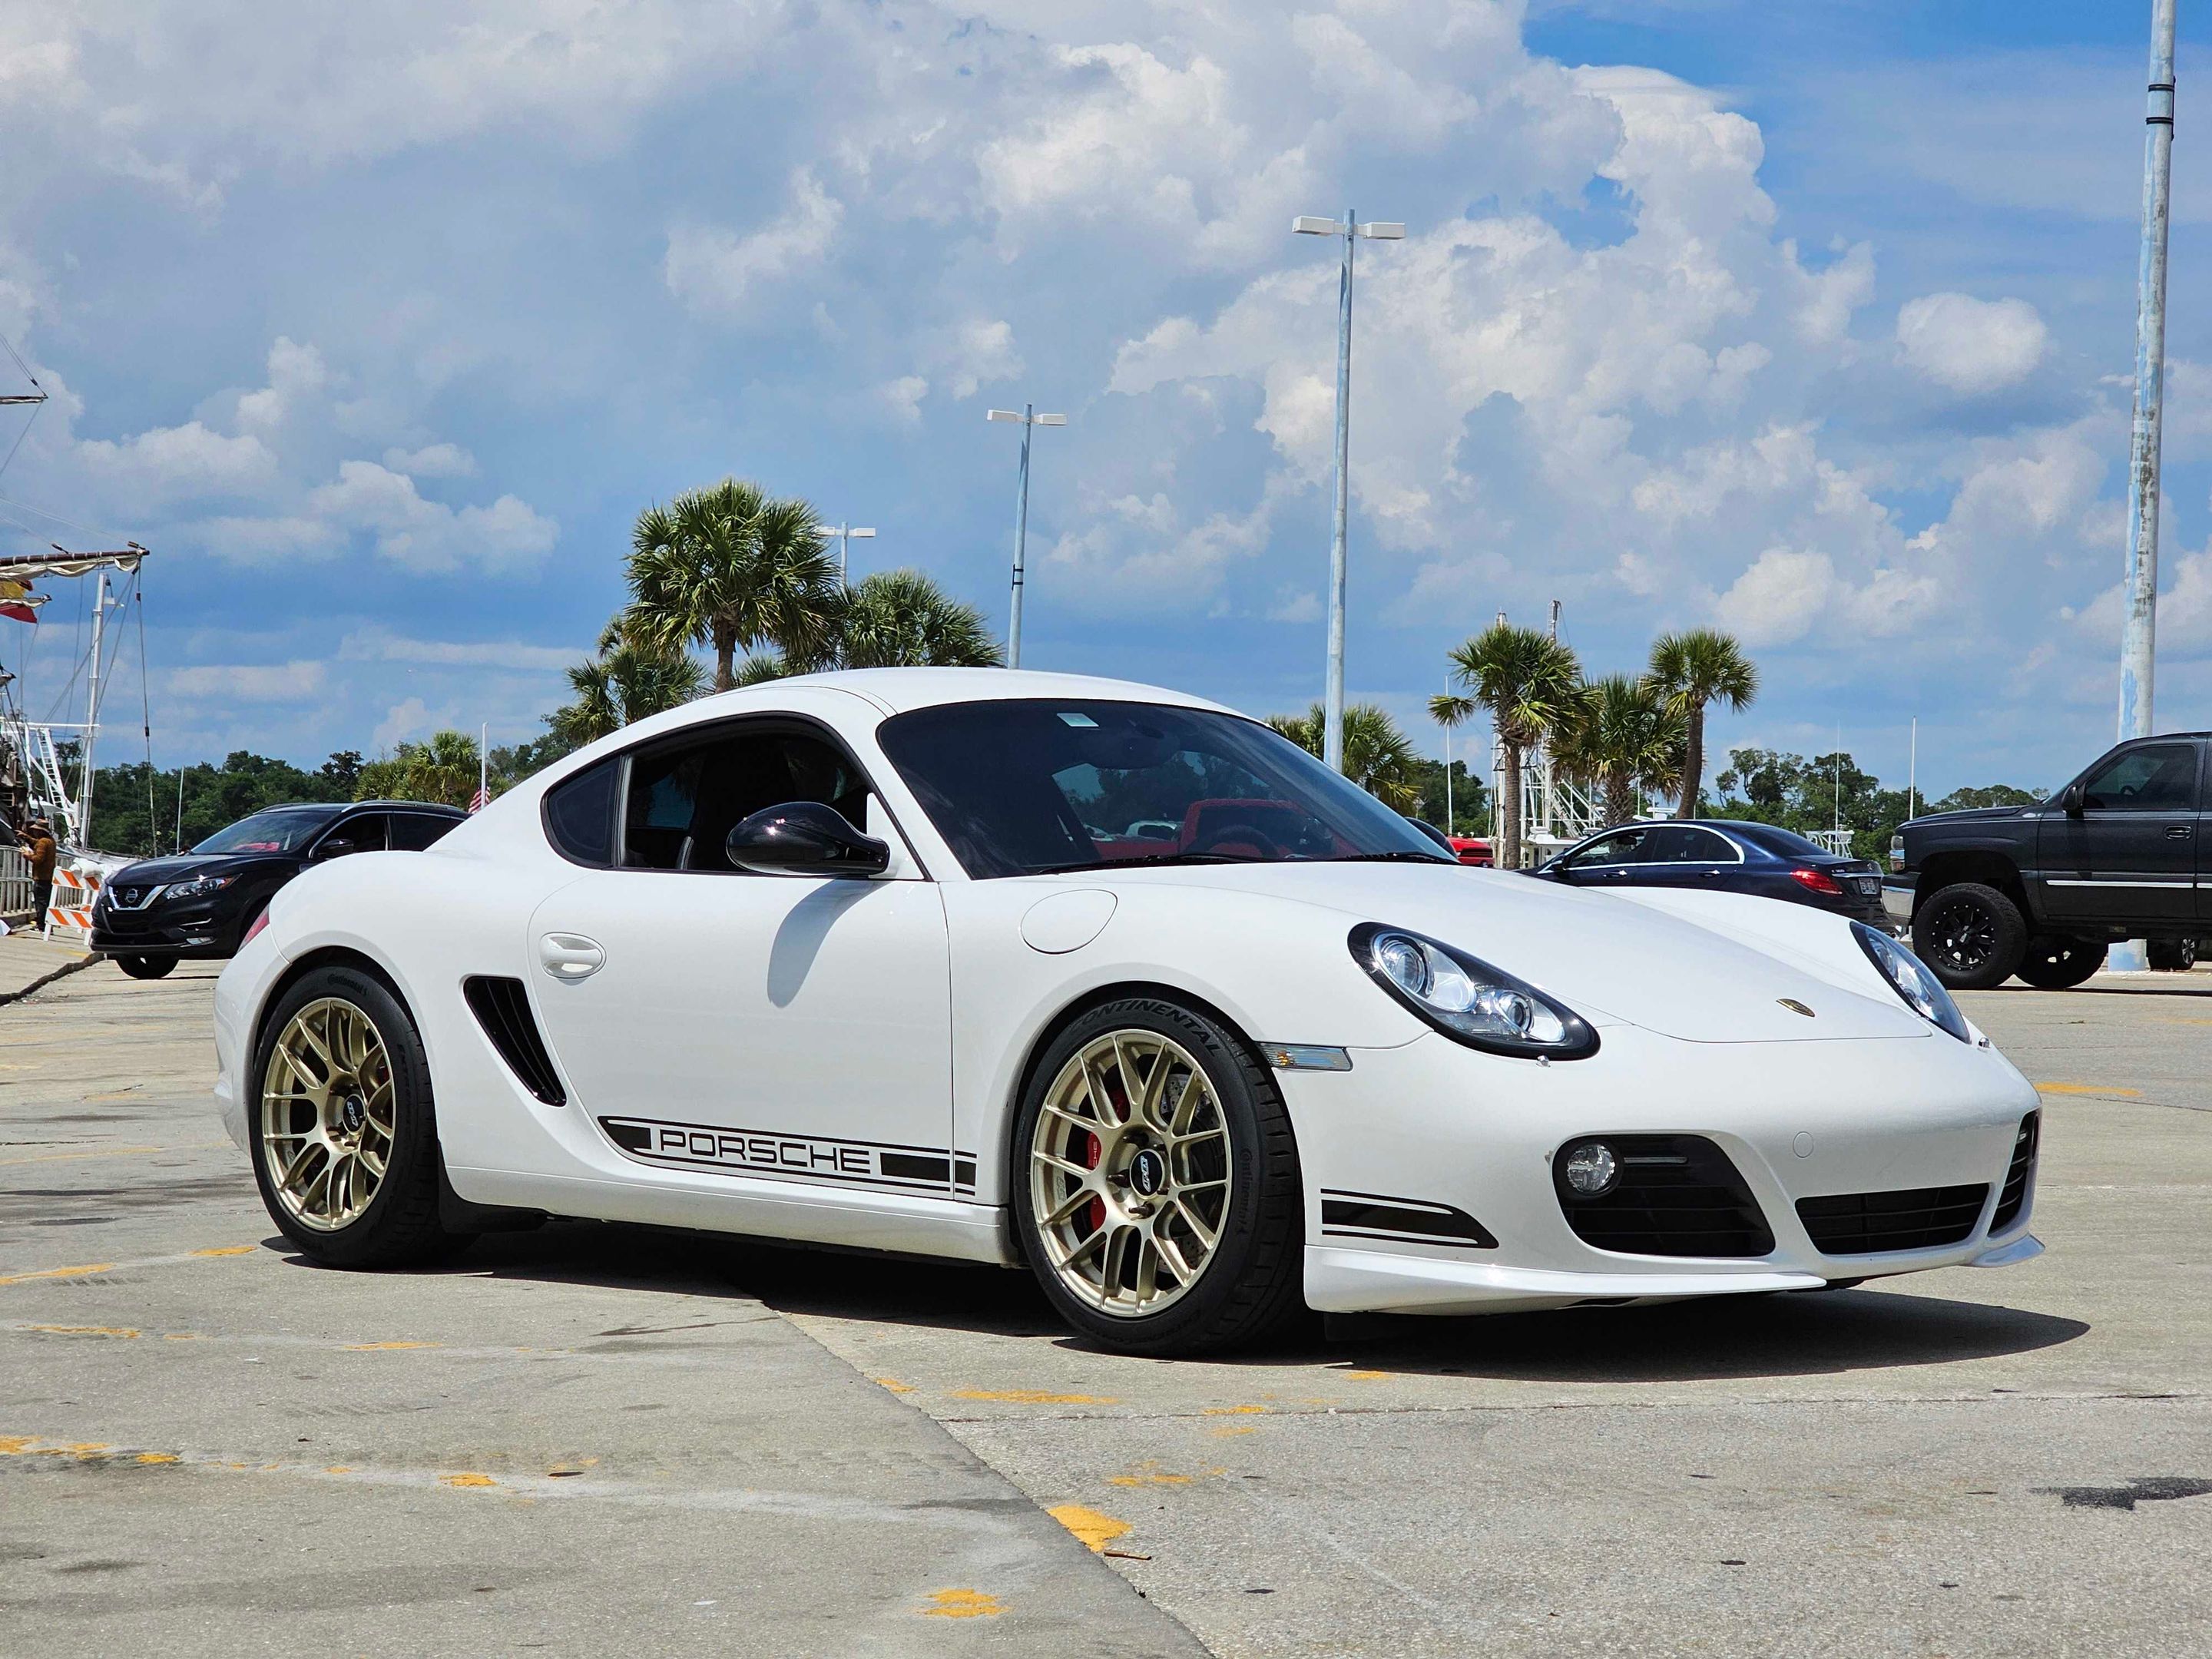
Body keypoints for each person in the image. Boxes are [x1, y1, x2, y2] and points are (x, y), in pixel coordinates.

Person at [22, 817, 55, 930]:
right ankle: (45, 925)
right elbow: (37, 844)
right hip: (49, 877)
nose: (34, 832)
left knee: (40, 902)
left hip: (41, 876)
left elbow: (38, 858)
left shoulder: (43, 842)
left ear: (40, 831)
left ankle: (41, 926)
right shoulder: (50, 841)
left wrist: (28, 855)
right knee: (45, 901)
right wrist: (26, 838)